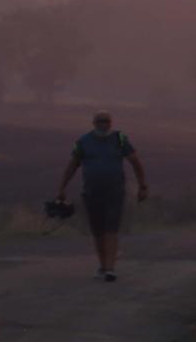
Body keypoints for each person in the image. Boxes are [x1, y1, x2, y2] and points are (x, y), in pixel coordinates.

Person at [56, 110, 148, 282]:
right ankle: (103, 265)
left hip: (115, 191)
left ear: (111, 123)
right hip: (91, 192)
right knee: (98, 231)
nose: (103, 124)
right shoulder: (82, 142)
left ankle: (110, 269)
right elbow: (72, 166)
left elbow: (135, 162)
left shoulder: (120, 139)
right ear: (93, 123)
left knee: (111, 229)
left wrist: (142, 186)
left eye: (106, 121)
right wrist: (62, 187)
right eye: (100, 121)